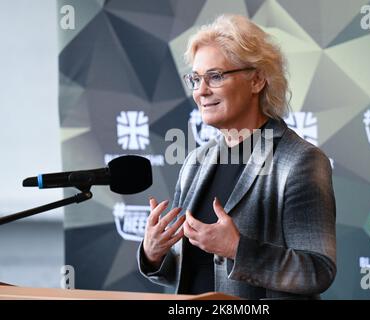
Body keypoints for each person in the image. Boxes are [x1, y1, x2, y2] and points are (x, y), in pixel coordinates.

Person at [138, 14, 336, 299]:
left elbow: (318, 271)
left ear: (256, 80)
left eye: (215, 76)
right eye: (196, 79)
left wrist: (237, 249)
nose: (201, 91)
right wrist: (153, 253)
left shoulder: (300, 161)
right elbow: (192, 268)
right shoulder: (195, 162)